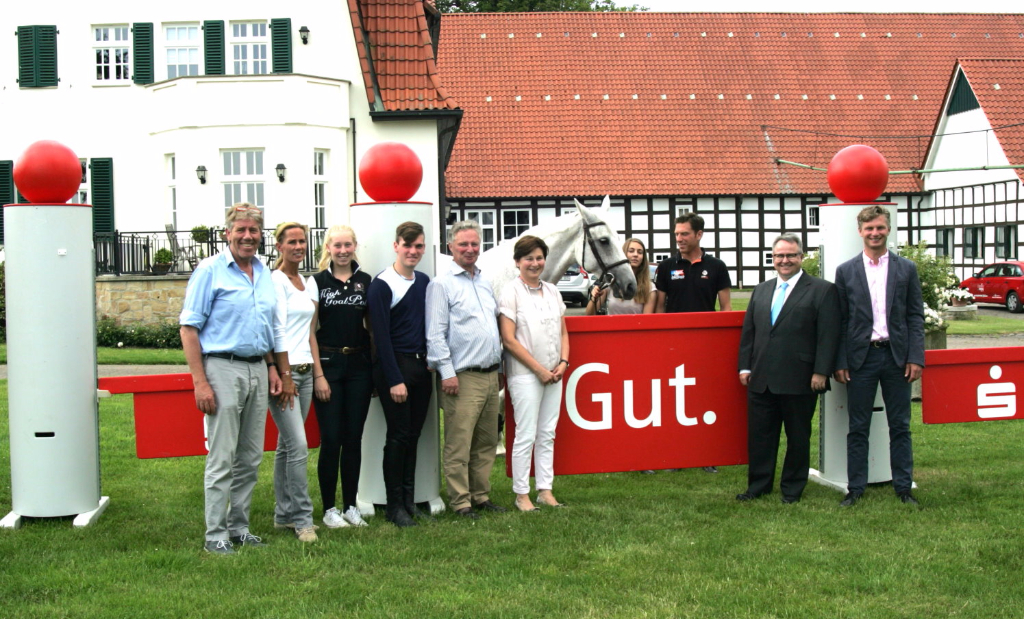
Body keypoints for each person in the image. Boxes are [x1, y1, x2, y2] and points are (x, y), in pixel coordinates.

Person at [179, 203, 280, 555]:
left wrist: (270, 366)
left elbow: (264, 326)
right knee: (222, 457)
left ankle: (239, 528)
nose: (248, 237)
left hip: (256, 368)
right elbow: (189, 328)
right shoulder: (210, 271)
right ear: (228, 233)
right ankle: (215, 535)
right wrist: (200, 381)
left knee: (250, 457)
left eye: (254, 230)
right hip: (221, 367)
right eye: (241, 230)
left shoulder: (264, 271)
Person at [736, 234, 840, 504]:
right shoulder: (761, 290)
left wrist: (821, 371)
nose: (785, 260)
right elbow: (750, 333)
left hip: (800, 378)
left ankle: (792, 489)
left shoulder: (822, 290)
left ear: (801, 257)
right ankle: (758, 486)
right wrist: (745, 367)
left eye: (791, 255)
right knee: (760, 437)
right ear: (772, 259)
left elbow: (828, 335)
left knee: (798, 437)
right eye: (779, 256)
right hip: (761, 378)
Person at [833, 205, 925, 507]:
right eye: (869, 228)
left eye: (880, 228)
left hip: (897, 357)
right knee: (857, 426)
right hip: (861, 359)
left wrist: (916, 356)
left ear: (888, 229)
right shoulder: (846, 271)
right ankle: (855, 488)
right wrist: (841, 361)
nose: (875, 233)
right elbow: (842, 321)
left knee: (900, 425)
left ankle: (903, 488)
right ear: (860, 231)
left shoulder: (906, 269)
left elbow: (914, 316)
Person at [426, 220, 506, 520]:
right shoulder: (441, 284)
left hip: (489, 374)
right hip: (462, 377)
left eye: (474, 244)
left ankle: (480, 495)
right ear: (451, 247)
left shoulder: (484, 282)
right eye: (463, 244)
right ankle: (461, 501)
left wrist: (500, 366)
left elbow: (494, 327)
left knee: (485, 441)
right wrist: (446, 372)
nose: (470, 249)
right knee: (459, 443)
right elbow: (435, 334)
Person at [654, 212, 732, 473]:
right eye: (677, 234)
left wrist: (723, 343)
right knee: (672, 400)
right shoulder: (666, 267)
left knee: (703, 399)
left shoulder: (717, 266)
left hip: (705, 345)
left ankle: (705, 455)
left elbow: (727, 308)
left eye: (685, 233)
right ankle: (675, 454)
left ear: (699, 234)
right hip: (673, 344)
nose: (679, 239)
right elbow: (659, 307)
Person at [309, 224, 374, 529]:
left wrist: (375, 370)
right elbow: (310, 331)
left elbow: (372, 328)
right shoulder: (318, 282)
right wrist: (318, 375)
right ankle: (329, 508)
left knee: (353, 439)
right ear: (328, 248)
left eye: (348, 245)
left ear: (355, 246)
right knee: (331, 439)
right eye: (337, 246)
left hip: (359, 366)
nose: (343, 251)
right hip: (329, 365)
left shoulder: (365, 281)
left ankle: (350, 505)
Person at [368, 222, 433, 528]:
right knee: (397, 436)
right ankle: (394, 506)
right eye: (407, 245)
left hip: (421, 367)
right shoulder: (382, 284)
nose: (413, 251)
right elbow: (379, 337)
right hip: (394, 368)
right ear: (396, 246)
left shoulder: (423, 281)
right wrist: (394, 379)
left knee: (414, 436)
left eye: (418, 246)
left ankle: (409, 500)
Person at [499, 235, 570, 512]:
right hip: (526, 375)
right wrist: (539, 370)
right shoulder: (511, 292)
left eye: (539, 257)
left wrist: (563, 362)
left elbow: (563, 330)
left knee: (548, 434)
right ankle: (521, 494)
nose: (535, 263)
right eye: (529, 258)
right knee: (526, 435)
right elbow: (508, 339)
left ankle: (545, 490)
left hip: (554, 373)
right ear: (518, 262)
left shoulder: (553, 290)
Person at [267, 223, 318, 542]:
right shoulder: (276, 281)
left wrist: (317, 373)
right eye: (292, 242)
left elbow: (311, 331)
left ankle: (283, 514)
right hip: (287, 375)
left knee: (287, 446)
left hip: (308, 371)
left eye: (302, 241)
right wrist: (284, 375)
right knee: (298, 446)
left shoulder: (308, 282)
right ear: (279, 246)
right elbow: (277, 330)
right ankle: (303, 519)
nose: (298, 246)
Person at [585, 237, 657, 315]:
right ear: (623, 254)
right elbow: (589, 314)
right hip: (612, 327)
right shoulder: (610, 283)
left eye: (640, 252)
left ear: (643, 258)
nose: (635, 255)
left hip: (636, 327)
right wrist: (594, 297)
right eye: (631, 251)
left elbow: (646, 321)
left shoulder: (650, 288)